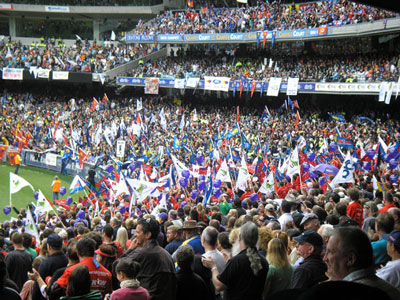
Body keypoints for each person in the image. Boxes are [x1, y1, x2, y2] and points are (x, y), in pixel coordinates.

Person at [324, 226, 400, 300]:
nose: (325, 258)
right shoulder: (391, 291)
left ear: (350, 259)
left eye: (330, 252)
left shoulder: (340, 294)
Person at [202, 221, 269, 300]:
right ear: (257, 239)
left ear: (239, 237)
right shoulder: (264, 261)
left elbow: (218, 286)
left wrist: (213, 267)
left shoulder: (236, 261)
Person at [114, 218, 176, 300]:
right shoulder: (167, 255)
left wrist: (130, 250)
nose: (135, 235)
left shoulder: (142, 253)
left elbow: (117, 266)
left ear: (147, 235)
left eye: (138, 232)